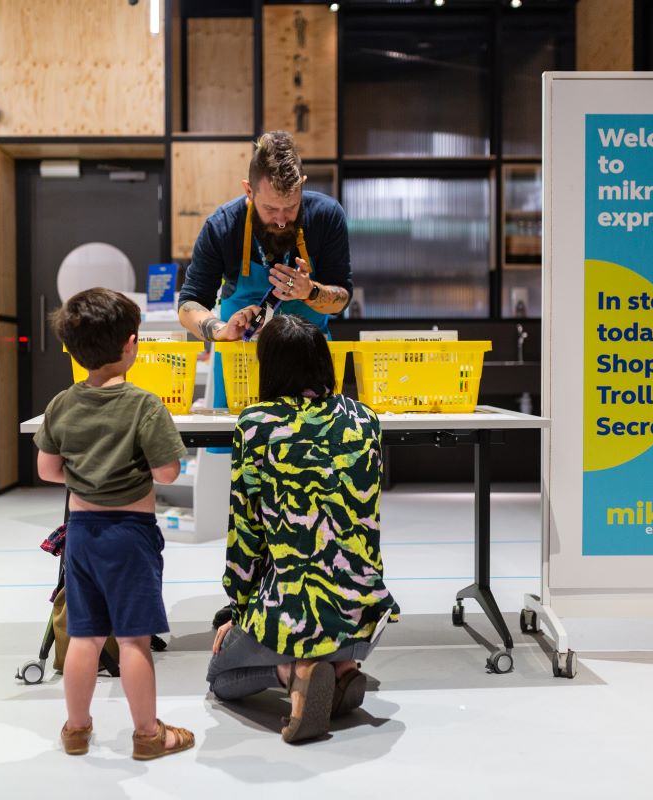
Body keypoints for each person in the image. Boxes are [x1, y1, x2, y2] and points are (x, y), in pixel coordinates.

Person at [206, 315, 398, 744]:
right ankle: (343, 667)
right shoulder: (365, 419)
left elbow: (245, 532)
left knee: (220, 676)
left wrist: (237, 610)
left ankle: (295, 671)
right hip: (362, 608)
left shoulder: (256, 424)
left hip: (292, 612)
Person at [34, 287, 195, 761]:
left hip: (82, 536)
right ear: (130, 344)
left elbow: (47, 470)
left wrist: (86, 476)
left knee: (84, 636)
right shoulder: (144, 405)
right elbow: (168, 472)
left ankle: (76, 730)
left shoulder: (62, 404)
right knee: (133, 639)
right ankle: (148, 734)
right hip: (131, 536)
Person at [177, 129, 353, 408]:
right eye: (271, 209)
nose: (281, 220)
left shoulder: (327, 216)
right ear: (248, 190)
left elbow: (342, 299)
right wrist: (222, 330)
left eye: (291, 208)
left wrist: (310, 291)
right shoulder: (222, 227)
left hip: (310, 367)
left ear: (302, 186)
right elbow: (189, 304)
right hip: (243, 369)